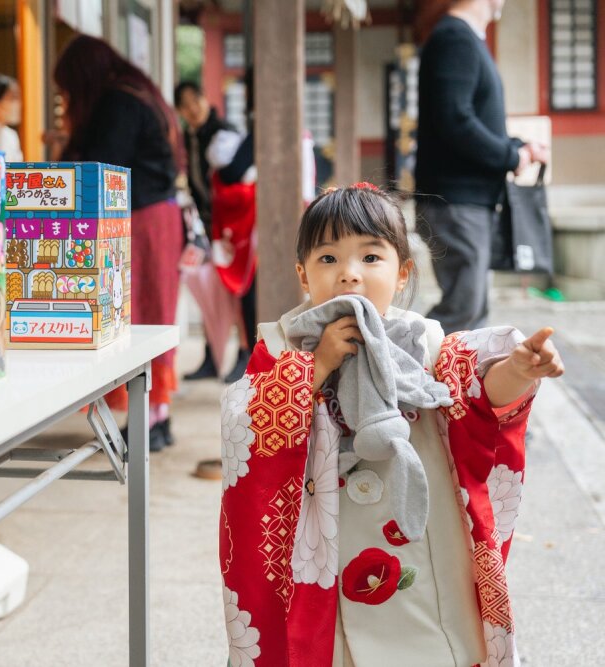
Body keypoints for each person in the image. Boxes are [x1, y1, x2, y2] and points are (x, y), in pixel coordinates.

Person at [219, 184, 564, 666]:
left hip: (418, 536)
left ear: (403, 272)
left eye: (370, 257)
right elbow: (245, 421)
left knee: (430, 636)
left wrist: (518, 370)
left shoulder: (425, 343)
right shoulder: (284, 349)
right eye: (327, 259)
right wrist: (313, 369)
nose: (349, 275)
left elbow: (475, 396)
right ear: (302, 274)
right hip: (329, 546)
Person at [52, 35, 181, 452]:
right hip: (154, 216)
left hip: (140, 220)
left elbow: (102, 163)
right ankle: (157, 415)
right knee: (149, 313)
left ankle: (150, 418)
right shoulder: (138, 92)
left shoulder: (117, 102)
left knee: (137, 316)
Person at [415, 0, 549, 333]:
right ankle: (399, 373)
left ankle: (457, 384)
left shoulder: (462, 37)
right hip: (457, 201)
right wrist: (511, 156)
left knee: (473, 313)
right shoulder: (455, 38)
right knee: (463, 310)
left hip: (467, 200)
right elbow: (455, 121)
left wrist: (517, 148)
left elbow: (467, 120)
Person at [174, 81, 236, 381]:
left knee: (236, 292)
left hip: (233, 227)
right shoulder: (190, 135)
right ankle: (212, 357)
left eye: (194, 101)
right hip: (210, 224)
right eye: (184, 106)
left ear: (203, 97)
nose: (192, 109)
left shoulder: (223, 130)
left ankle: (241, 355)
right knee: (212, 293)